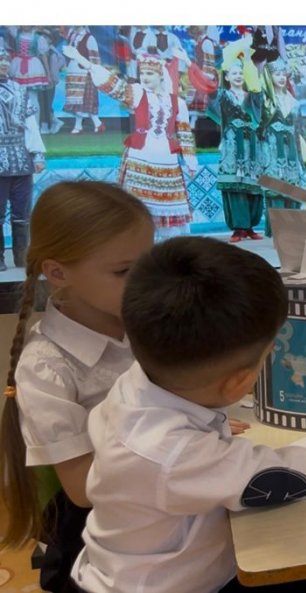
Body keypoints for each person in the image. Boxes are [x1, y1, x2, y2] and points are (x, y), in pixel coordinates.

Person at [70, 236, 306, 593]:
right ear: (238, 384)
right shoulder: (174, 455)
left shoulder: (136, 385)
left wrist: (211, 428)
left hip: (132, 566)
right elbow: (290, 476)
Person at [0, 181, 154, 593]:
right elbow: (84, 489)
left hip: (162, 515)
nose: (146, 283)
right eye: (124, 271)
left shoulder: (142, 327)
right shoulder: (46, 367)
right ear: (57, 273)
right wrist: (178, 448)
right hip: (98, 544)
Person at [63, 45, 197, 241]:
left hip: (167, 162)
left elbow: (184, 132)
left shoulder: (178, 103)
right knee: (138, 210)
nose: (145, 77)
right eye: (142, 73)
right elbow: (113, 85)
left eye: (150, 73)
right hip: (140, 158)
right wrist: (83, 61)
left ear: (161, 75)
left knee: (168, 214)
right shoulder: (137, 93)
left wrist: (191, 161)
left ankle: (169, 251)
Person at [208, 48, 265, 243]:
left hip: (252, 145)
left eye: (241, 73)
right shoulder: (223, 95)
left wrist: (247, 60)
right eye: (234, 73)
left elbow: (260, 111)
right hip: (232, 144)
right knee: (234, 184)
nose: (238, 76)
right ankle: (238, 228)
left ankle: (250, 226)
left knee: (253, 185)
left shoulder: (253, 96)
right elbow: (211, 98)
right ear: (227, 76)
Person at [0, 45, 45, 270]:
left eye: (5, 59)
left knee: (22, 212)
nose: (4, 63)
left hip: (21, 158)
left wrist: (37, 154)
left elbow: (30, 125)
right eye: (0, 60)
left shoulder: (19, 89)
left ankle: (21, 256)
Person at [259, 59, 306, 236]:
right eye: (277, 74)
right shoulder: (265, 101)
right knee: (275, 190)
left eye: (283, 74)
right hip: (272, 149)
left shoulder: (292, 101)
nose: (281, 78)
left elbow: (300, 131)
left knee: (293, 188)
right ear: (269, 76)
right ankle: (278, 229)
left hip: (292, 151)